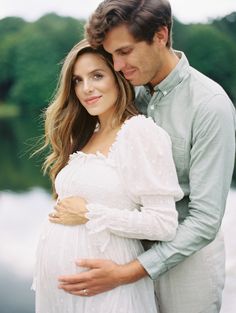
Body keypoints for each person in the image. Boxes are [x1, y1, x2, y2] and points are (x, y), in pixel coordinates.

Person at [55, 1, 236, 313]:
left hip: (186, 269)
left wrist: (127, 273)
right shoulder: (127, 92)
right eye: (111, 55)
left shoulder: (210, 105)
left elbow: (205, 220)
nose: (117, 65)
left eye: (125, 51)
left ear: (161, 35)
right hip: (121, 252)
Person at [32, 38, 184, 313]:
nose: (86, 88)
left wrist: (90, 213)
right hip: (62, 294)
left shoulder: (139, 132)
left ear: (119, 78)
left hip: (108, 291)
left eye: (97, 76)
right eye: (77, 80)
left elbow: (164, 224)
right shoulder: (87, 135)